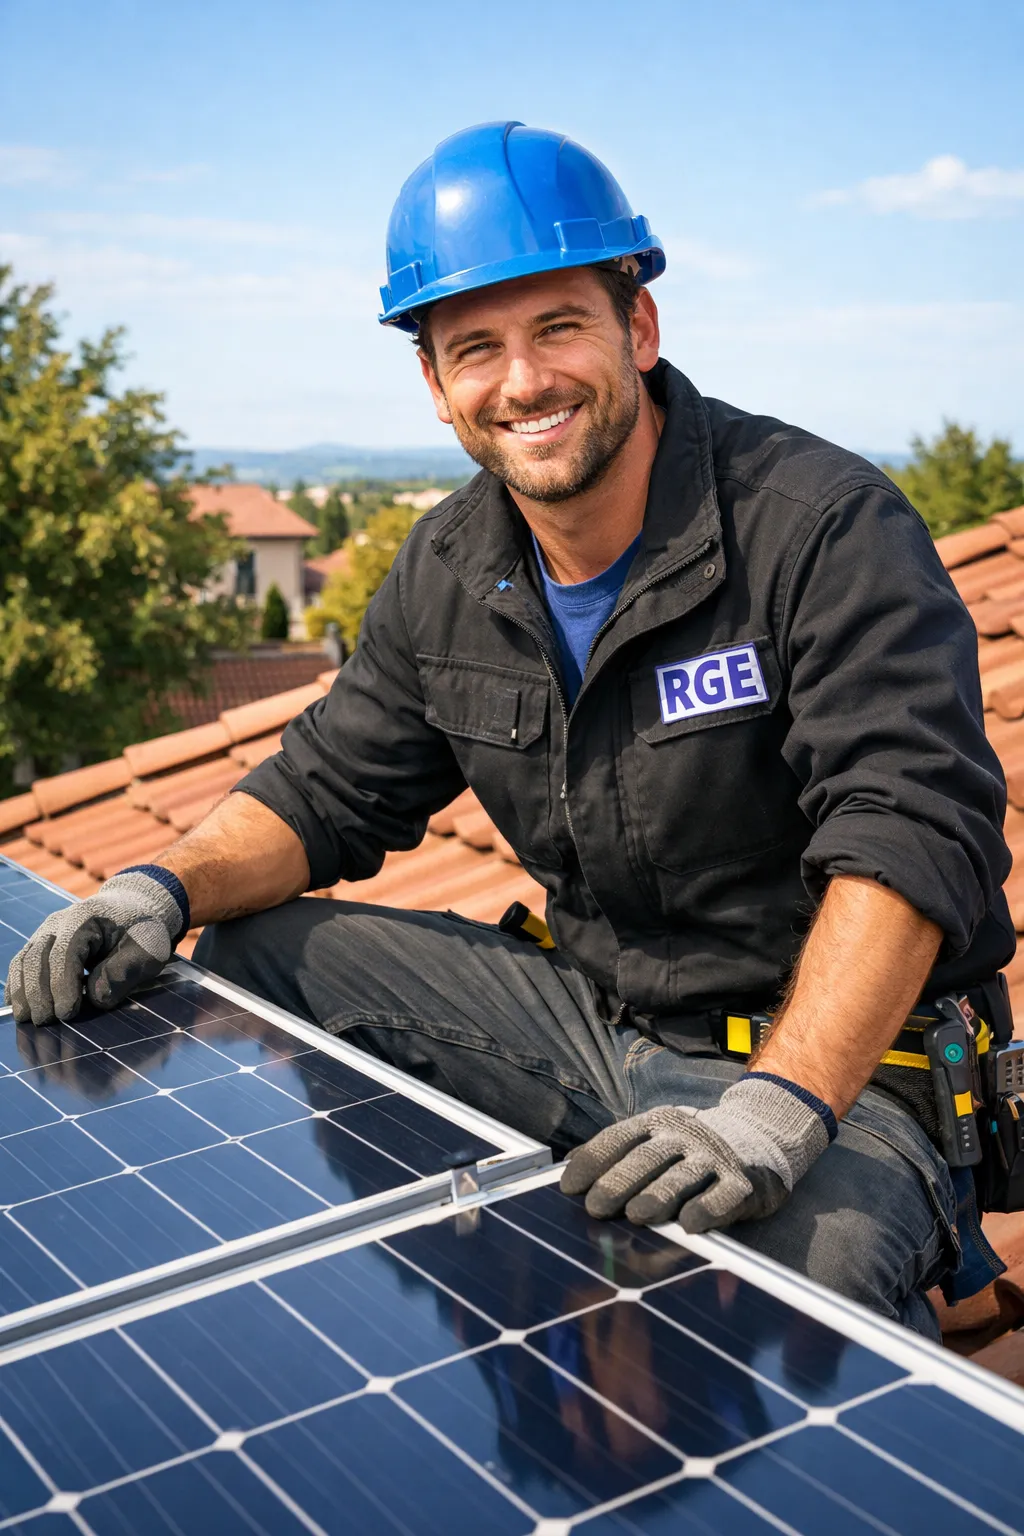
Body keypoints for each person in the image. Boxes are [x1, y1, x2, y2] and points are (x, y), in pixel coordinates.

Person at [8, 122, 1014, 1337]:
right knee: (251, 952)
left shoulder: (821, 529)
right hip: (590, 1025)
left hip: (831, 1077)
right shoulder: (448, 565)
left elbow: (905, 832)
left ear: (638, 330)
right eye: (474, 348)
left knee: (776, 1310)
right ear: (436, 388)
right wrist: (160, 885)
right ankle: (452, 1280)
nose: (523, 380)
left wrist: (774, 1110)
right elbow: (327, 785)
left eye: (557, 329)